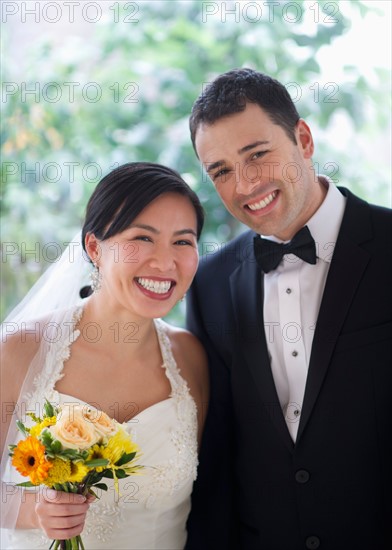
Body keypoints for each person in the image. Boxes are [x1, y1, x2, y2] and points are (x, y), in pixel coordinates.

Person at [185, 68, 392, 550]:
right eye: (221, 171)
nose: (246, 183)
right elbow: (214, 451)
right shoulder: (209, 283)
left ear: (303, 138)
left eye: (257, 154)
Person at [1, 162, 209, 549]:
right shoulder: (21, 349)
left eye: (183, 242)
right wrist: (35, 509)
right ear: (95, 247)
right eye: (143, 238)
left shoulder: (191, 357)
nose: (165, 263)